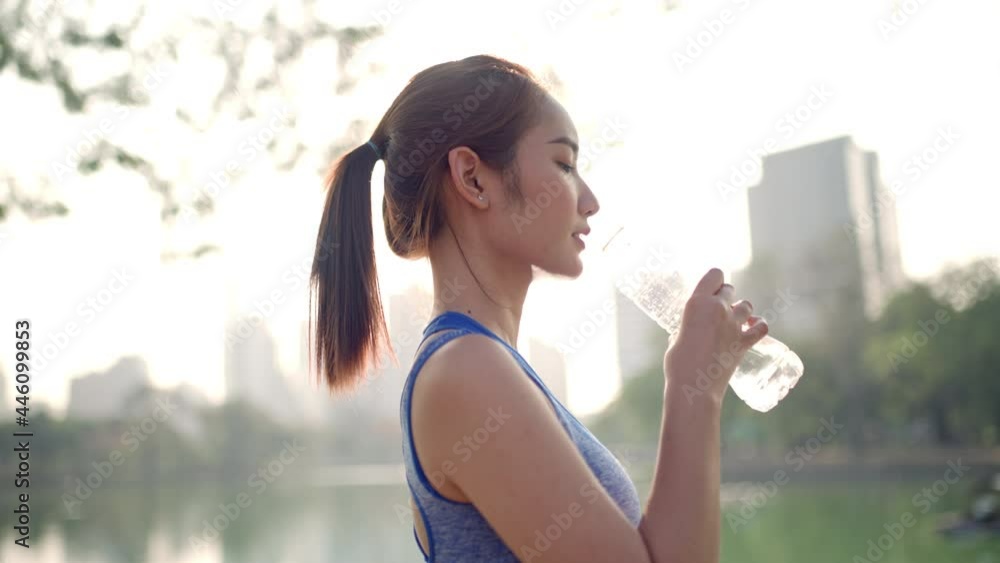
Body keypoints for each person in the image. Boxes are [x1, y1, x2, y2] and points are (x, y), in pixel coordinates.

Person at [309, 54, 768, 562]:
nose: (589, 200)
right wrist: (693, 388)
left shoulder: (490, 365)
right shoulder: (466, 370)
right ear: (473, 179)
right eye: (564, 164)